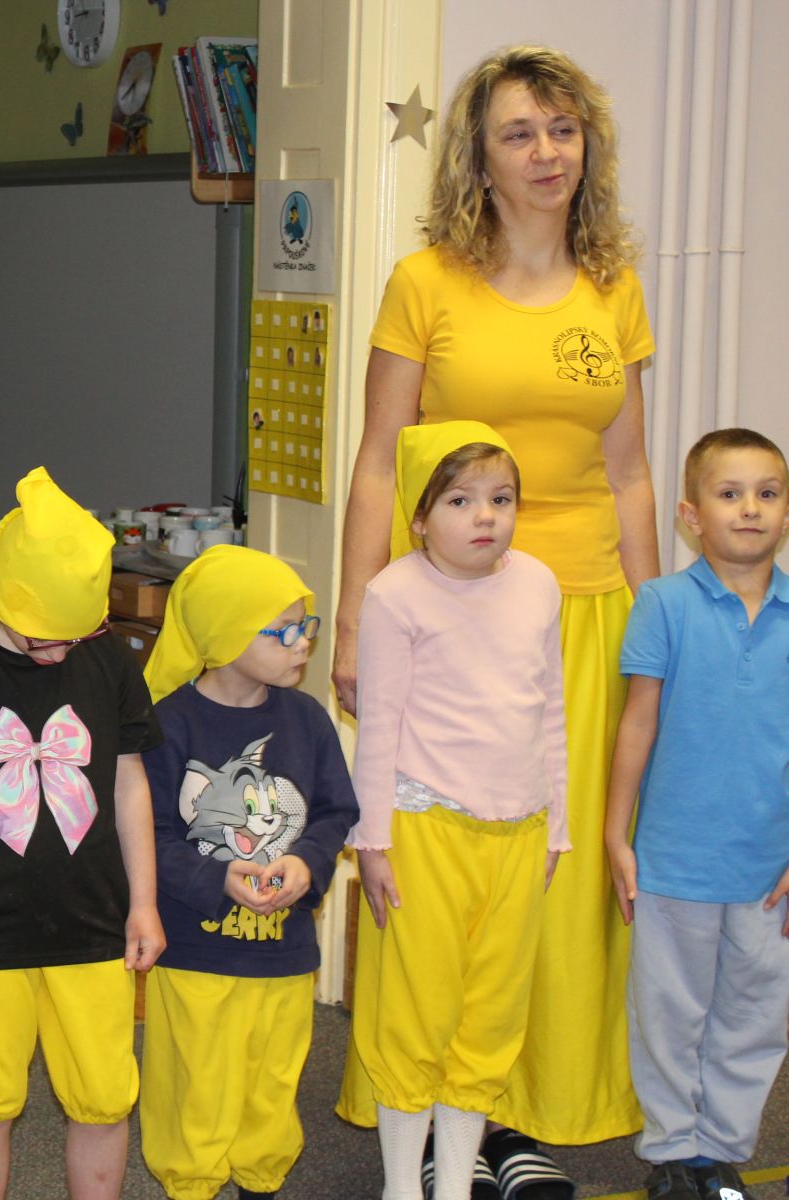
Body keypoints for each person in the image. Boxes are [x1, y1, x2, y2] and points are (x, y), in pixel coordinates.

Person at [331, 47, 658, 1187]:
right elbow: (379, 462)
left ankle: (522, 1122)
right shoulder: (426, 282)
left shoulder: (614, 286)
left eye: (564, 130)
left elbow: (632, 473)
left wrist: (661, 626)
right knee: (437, 875)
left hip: (586, 611)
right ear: (479, 154)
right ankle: (433, 1123)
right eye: (520, 132)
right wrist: (354, 618)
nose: (546, 153)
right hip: (450, 622)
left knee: (554, 883)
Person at [0, 466, 165, 1200]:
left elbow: (129, 783)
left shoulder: (105, 659)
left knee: (104, 1098)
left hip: (95, 925)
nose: (61, 653)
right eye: (44, 639)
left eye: (79, 636)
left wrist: (144, 904)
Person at [346, 422, 569, 1200]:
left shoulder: (538, 584)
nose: (486, 516)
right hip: (427, 831)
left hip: (519, 833)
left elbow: (550, 711)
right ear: (419, 517)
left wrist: (557, 827)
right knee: (418, 1010)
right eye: (460, 500)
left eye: (502, 499)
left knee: (490, 1015)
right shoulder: (395, 594)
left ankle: (454, 1185)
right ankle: (403, 1185)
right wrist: (373, 842)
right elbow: (379, 726)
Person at [137, 545, 358, 1200]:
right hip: (196, 951)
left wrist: (305, 862)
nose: (302, 642)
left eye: (305, 627)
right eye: (282, 630)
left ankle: (262, 1181)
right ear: (226, 634)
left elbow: (336, 811)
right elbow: (148, 835)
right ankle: (192, 1184)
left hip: (284, 952)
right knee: (196, 1085)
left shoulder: (308, 720)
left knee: (271, 1083)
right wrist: (217, 878)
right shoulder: (169, 724)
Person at [603, 428, 789, 1200]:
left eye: (767, 494)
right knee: (669, 1011)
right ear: (690, 515)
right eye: (729, 493)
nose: (750, 508)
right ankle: (674, 1151)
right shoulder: (663, 604)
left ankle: (721, 1150)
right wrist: (617, 833)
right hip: (674, 855)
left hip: (767, 870)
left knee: (756, 1014)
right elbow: (637, 722)